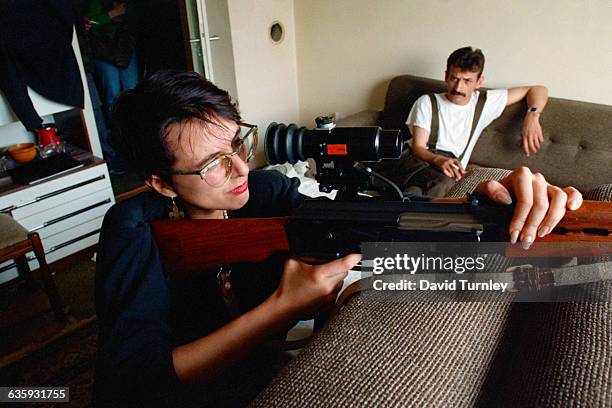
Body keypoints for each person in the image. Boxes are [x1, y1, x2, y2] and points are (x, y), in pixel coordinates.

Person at [94, 70, 582, 407]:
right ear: (160, 181)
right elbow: (139, 384)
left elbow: (376, 222)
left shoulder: (266, 191)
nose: (241, 168)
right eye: (211, 164)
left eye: (238, 142)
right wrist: (281, 309)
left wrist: (484, 204)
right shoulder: (134, 229)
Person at [395, 46, 548, 197]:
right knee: (442, 184)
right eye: (454, 78)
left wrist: (532, 117)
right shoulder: (427, 102)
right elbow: (418, 147)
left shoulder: (485, 103)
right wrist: (439, 160)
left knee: (417, 191)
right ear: (446, 76)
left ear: (479, 82)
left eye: (467, 81)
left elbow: (538, 89)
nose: (458, 87)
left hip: (448, 170)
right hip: (417, 160)